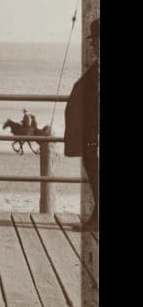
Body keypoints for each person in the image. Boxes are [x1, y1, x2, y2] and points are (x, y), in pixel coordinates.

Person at [65, 16, 99, 231]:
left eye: (95, 40)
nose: (92, 44)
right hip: (91, 133)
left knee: (95, 173)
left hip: (95, 134)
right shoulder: (97, 67)